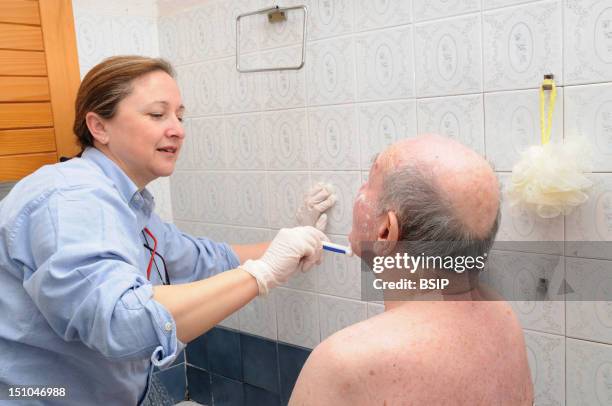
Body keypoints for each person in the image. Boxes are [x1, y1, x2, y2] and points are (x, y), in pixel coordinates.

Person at [0, 56, 335, 405]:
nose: (177, 128)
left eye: (180, 115)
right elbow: (120, 321)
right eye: (157, 115)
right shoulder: (70, 199)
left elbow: (204, 259)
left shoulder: (129, 204)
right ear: (99, 127)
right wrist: (262, 274)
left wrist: (292, 239)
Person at [289, 135, 534, 405]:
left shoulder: (343, 362)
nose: (360, 188)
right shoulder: (504, 317)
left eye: (370, 182)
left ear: (385, 232)